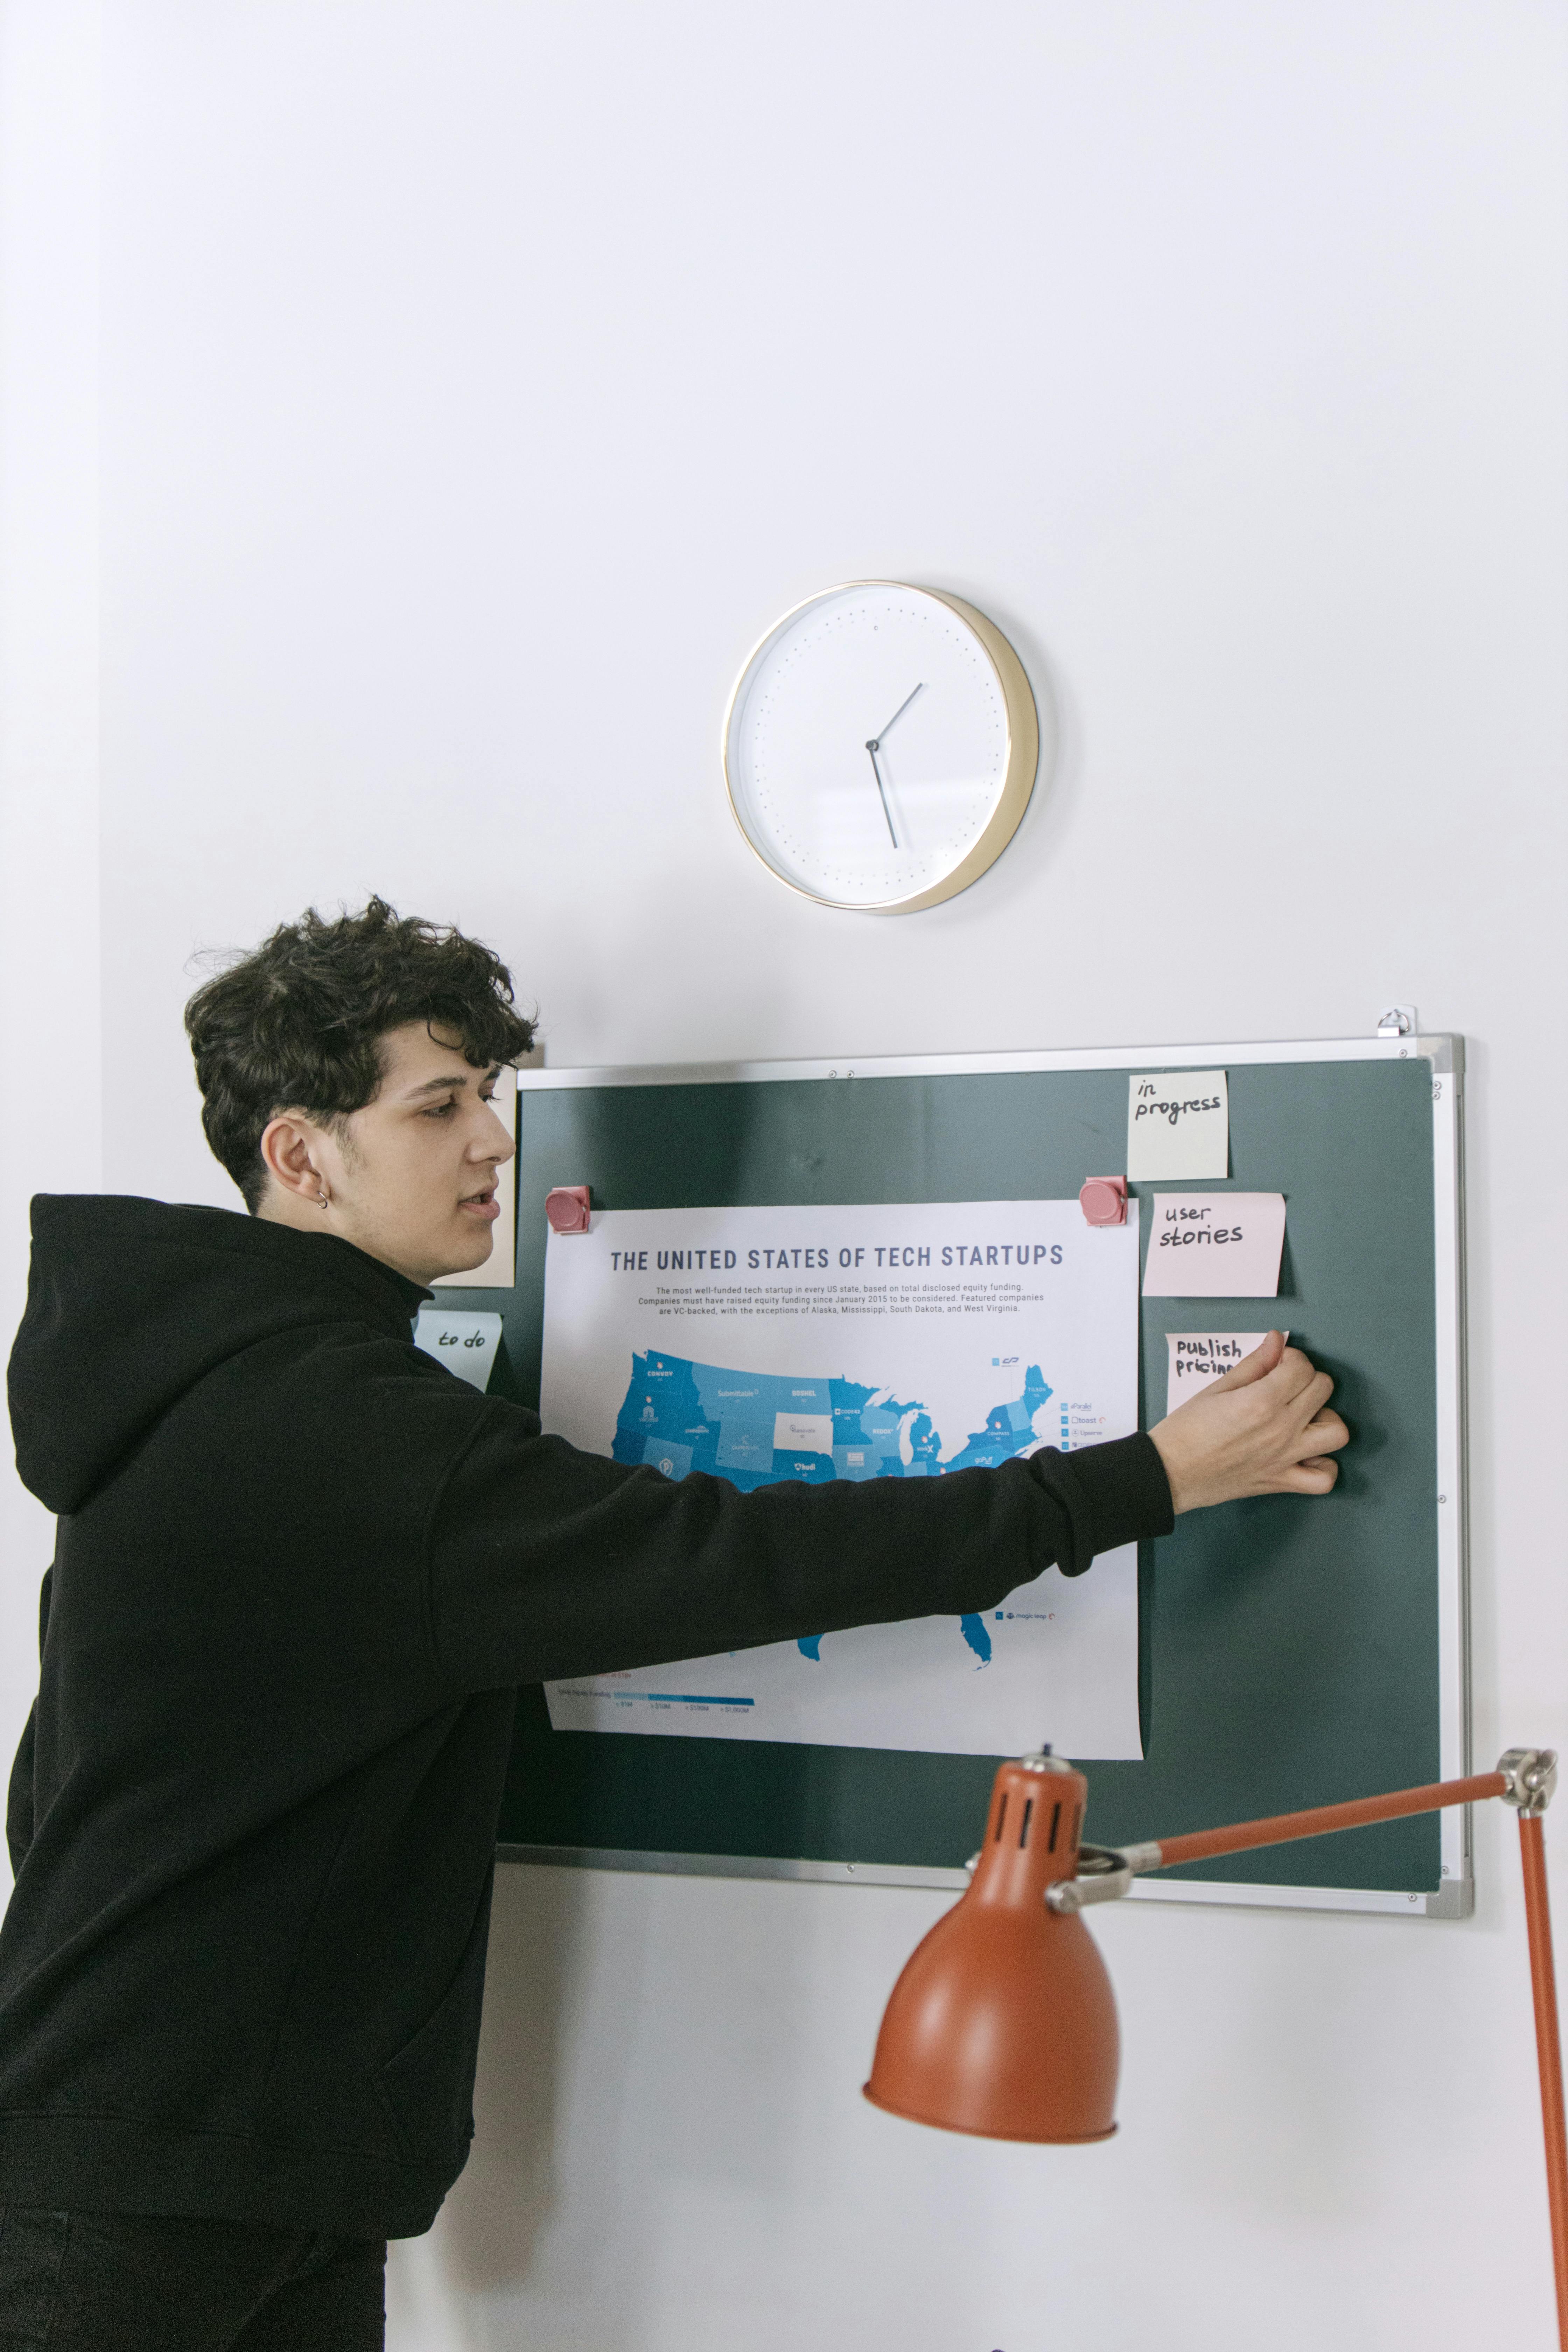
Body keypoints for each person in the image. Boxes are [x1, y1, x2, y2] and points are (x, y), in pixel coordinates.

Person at [0, 899, 1347, 2348]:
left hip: (210, 2155)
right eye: (439, 1105)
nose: (493, 1144)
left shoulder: (213, 1383)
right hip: (152, 2185)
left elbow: (59, 1783)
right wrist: (1146, 1476)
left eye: (491, 1098)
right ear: (300, 1155)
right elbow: (728, 1559)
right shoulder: (338, 1427)